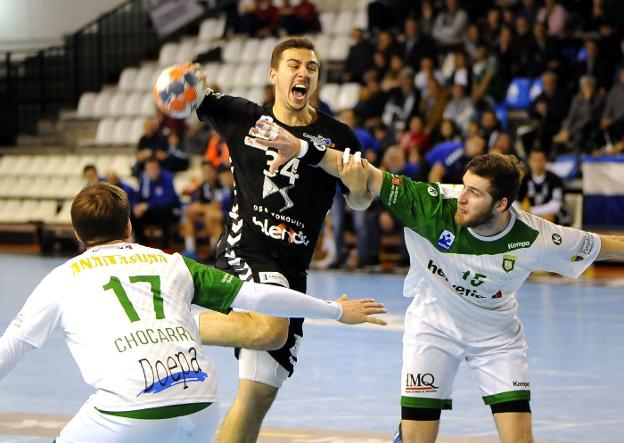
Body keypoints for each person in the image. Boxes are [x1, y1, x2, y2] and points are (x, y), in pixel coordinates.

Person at [261, 128, 624, 442]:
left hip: (496, 337)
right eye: (463, 186)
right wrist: (304, 150)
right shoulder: (433, 206)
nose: (461, 198)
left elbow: (603, 246)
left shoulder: (537, 237)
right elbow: (365, 173)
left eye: (475, 193)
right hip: (432, 326)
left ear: (502, 204)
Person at [0, 183, 386, 443]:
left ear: (77, 236)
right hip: (203, 406)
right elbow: (259, 296)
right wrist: (336, 310)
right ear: (129, 226)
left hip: (130, 411)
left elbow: (12, 348)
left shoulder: (62, 278)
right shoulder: (171, 263)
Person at [187, 37, 373, 442]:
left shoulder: (337, 136)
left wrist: (356, 183)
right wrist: (188, 83)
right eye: (293, 65)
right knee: (272, 329)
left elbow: (360, 200)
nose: (303, 72)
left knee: (255, 399)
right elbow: (192, 98)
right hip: (246, 251)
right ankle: (174, 323)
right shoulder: (244, 117)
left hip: (291, 269)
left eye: (311, 67)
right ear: (274, 74)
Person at [518, 149, 569, 224]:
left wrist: (530, 211)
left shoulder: (555, 179)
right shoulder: (524, 179)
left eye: (540, 159)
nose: (537, 163)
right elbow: (517, 202)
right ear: (529, 161)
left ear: (545, 161)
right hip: (533, 216)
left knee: (547, 218)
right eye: (534, 159)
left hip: (556, 216)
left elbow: (555, 206)